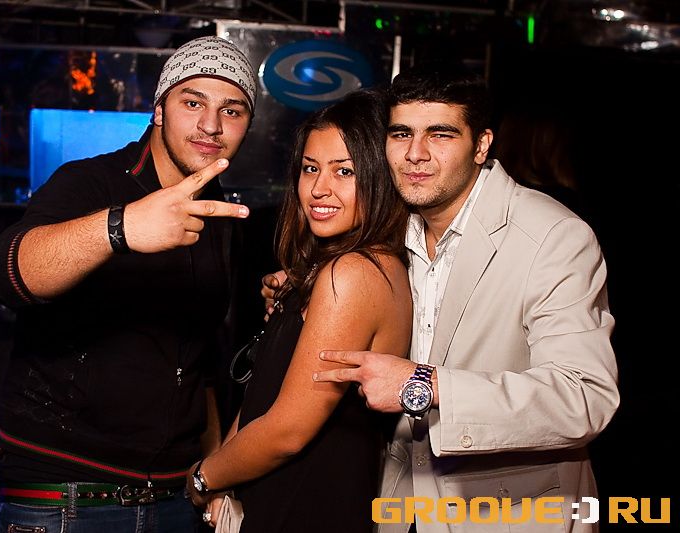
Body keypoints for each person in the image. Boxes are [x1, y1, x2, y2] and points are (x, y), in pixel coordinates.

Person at [265, 62, 620, 532]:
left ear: (482, 145)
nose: (416, 154)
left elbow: (585, 397)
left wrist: (426, 386)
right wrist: (300, 285)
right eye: (401, 134)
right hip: (402, 508)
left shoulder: (552, 237)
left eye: (440, 134)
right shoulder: (393, 227)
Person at [0, 36, 257, 533]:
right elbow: (10, 274)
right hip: (68, 499)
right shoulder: (90, 182)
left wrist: (215, 470)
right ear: (158, 110)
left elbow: (198, 360)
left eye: (232, 110)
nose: (211, 125)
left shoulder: (222, 216)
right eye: (192, 102)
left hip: (174, 500)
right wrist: (120, 228)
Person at [185, 89, 413, 533]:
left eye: (344, 171)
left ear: (380, 177)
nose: (318, 188)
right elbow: (265, 395)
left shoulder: (354, 273)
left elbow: (287, 431)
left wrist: (202, 478)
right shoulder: (330, 269)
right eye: (310, 168)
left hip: (308, 509)